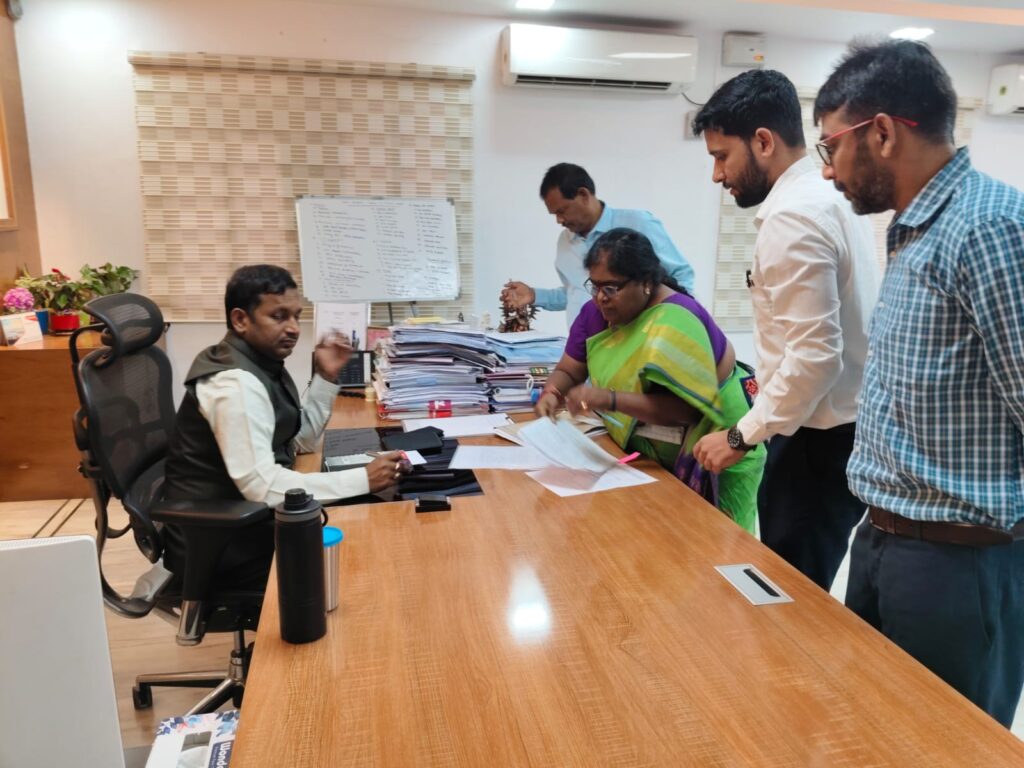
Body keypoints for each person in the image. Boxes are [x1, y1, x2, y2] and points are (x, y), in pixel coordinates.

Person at [814, 40, 1024, 727]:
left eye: (831, 147)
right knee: (871, 734)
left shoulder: (988, 226)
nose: (827, 170)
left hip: (960, 562)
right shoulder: (914, 230)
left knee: (946, 745)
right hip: (886, 540)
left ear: (881, 133)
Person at [689, 69, 878, 591]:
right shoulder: (829, 198)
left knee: (790, 595)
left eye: (721, 156)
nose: (717, 175)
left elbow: (814, 358)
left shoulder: (793, 218)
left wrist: (740, 435)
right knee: (797, 585)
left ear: (763, 141)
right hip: (836, 433)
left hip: (814, 442)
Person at [162, 264, 408, 588]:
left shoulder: (261, 364)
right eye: (279, 316)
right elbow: (262, 487)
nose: (293, 328)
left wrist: (326, 376)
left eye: (296, 315)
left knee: (378, 511)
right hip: (224, 541)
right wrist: (363, 478)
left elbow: (297, 441)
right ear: (240, 319)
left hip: (247, 517)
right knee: (373, 536)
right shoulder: (234, 384)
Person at [535, 228, 764, 533]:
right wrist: (552, 392)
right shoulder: (595, 313)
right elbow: (569, 370)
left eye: (611, 288)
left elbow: (685, 411)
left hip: (717, 441)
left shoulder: (675, 319)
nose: (600, 298)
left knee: (717, 541)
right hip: (649, 451)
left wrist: (608, 398)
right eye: (595, 286)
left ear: (645, 282)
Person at [502, 163, 695, 327]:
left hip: (637, 341)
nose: (559, 220)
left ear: (583, 195)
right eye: (554, 214)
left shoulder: (638, 223)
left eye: (562, 211)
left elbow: (681, 276)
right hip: (584, 347)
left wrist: (666, 324)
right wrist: (534, 295)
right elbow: (576, 292)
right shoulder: (565, 241)